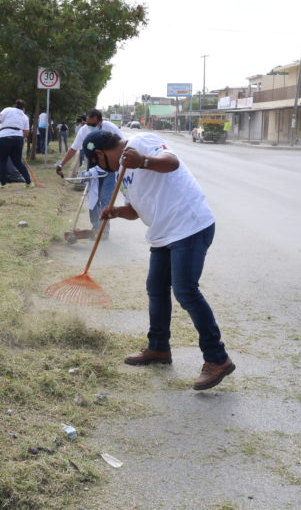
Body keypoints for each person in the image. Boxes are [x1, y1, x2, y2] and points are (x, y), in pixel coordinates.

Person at [83, 130, 235, 391]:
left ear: (99, 153)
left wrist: (143, 161)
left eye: (98, 162)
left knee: (186, 291)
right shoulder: (123, 171)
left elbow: (170, 162)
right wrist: (117, 211)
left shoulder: (140, 143)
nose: (102, 168)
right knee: (156, 290)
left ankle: (217, 359)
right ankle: (158, 348)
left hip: (189, 225)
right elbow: (136, 210)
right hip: (163, 233)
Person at [55, 109, 123, 231]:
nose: (90, 126)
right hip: (93, 167)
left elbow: (123, 146)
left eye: (93, 124)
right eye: (88, 123)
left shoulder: (111, 128)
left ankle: (103, 231)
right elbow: (73, 149)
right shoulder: (84, 131)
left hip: (110, 168)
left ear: (100, 122)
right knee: (93, 198)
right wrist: (61, 165)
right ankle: (96, 228)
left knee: (105, 198)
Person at [0, 99, 33, 189]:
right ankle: (29, 182)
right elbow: (26, 132)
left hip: (4, 136)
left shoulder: (8, 109)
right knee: (18, 162)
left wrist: (5, 122)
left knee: (2, 161)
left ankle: (2, 183)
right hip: (18, 137)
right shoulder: (25, 116)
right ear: (23, 108)